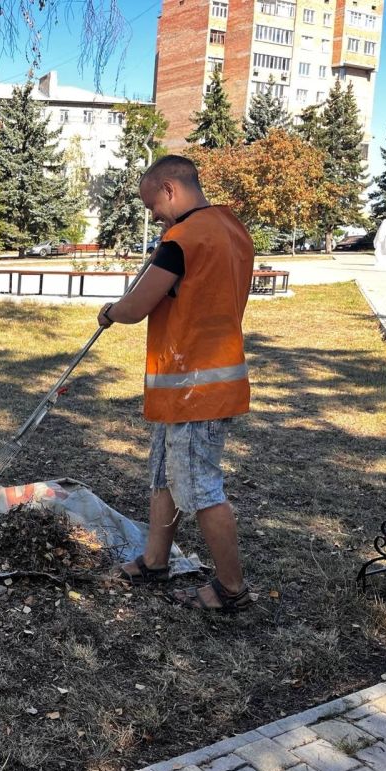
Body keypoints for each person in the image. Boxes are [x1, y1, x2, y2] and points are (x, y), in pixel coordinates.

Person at [97, 155, 254, 613]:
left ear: (169, 188)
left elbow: (136, 306)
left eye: (152, 205)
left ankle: (231, 589)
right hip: (205, 378)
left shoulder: (182, 239)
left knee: (200, 488)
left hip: (196, 386)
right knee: (165, 475)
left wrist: (110, 311)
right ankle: (155, 561)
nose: (153, 216)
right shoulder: (231, 228)